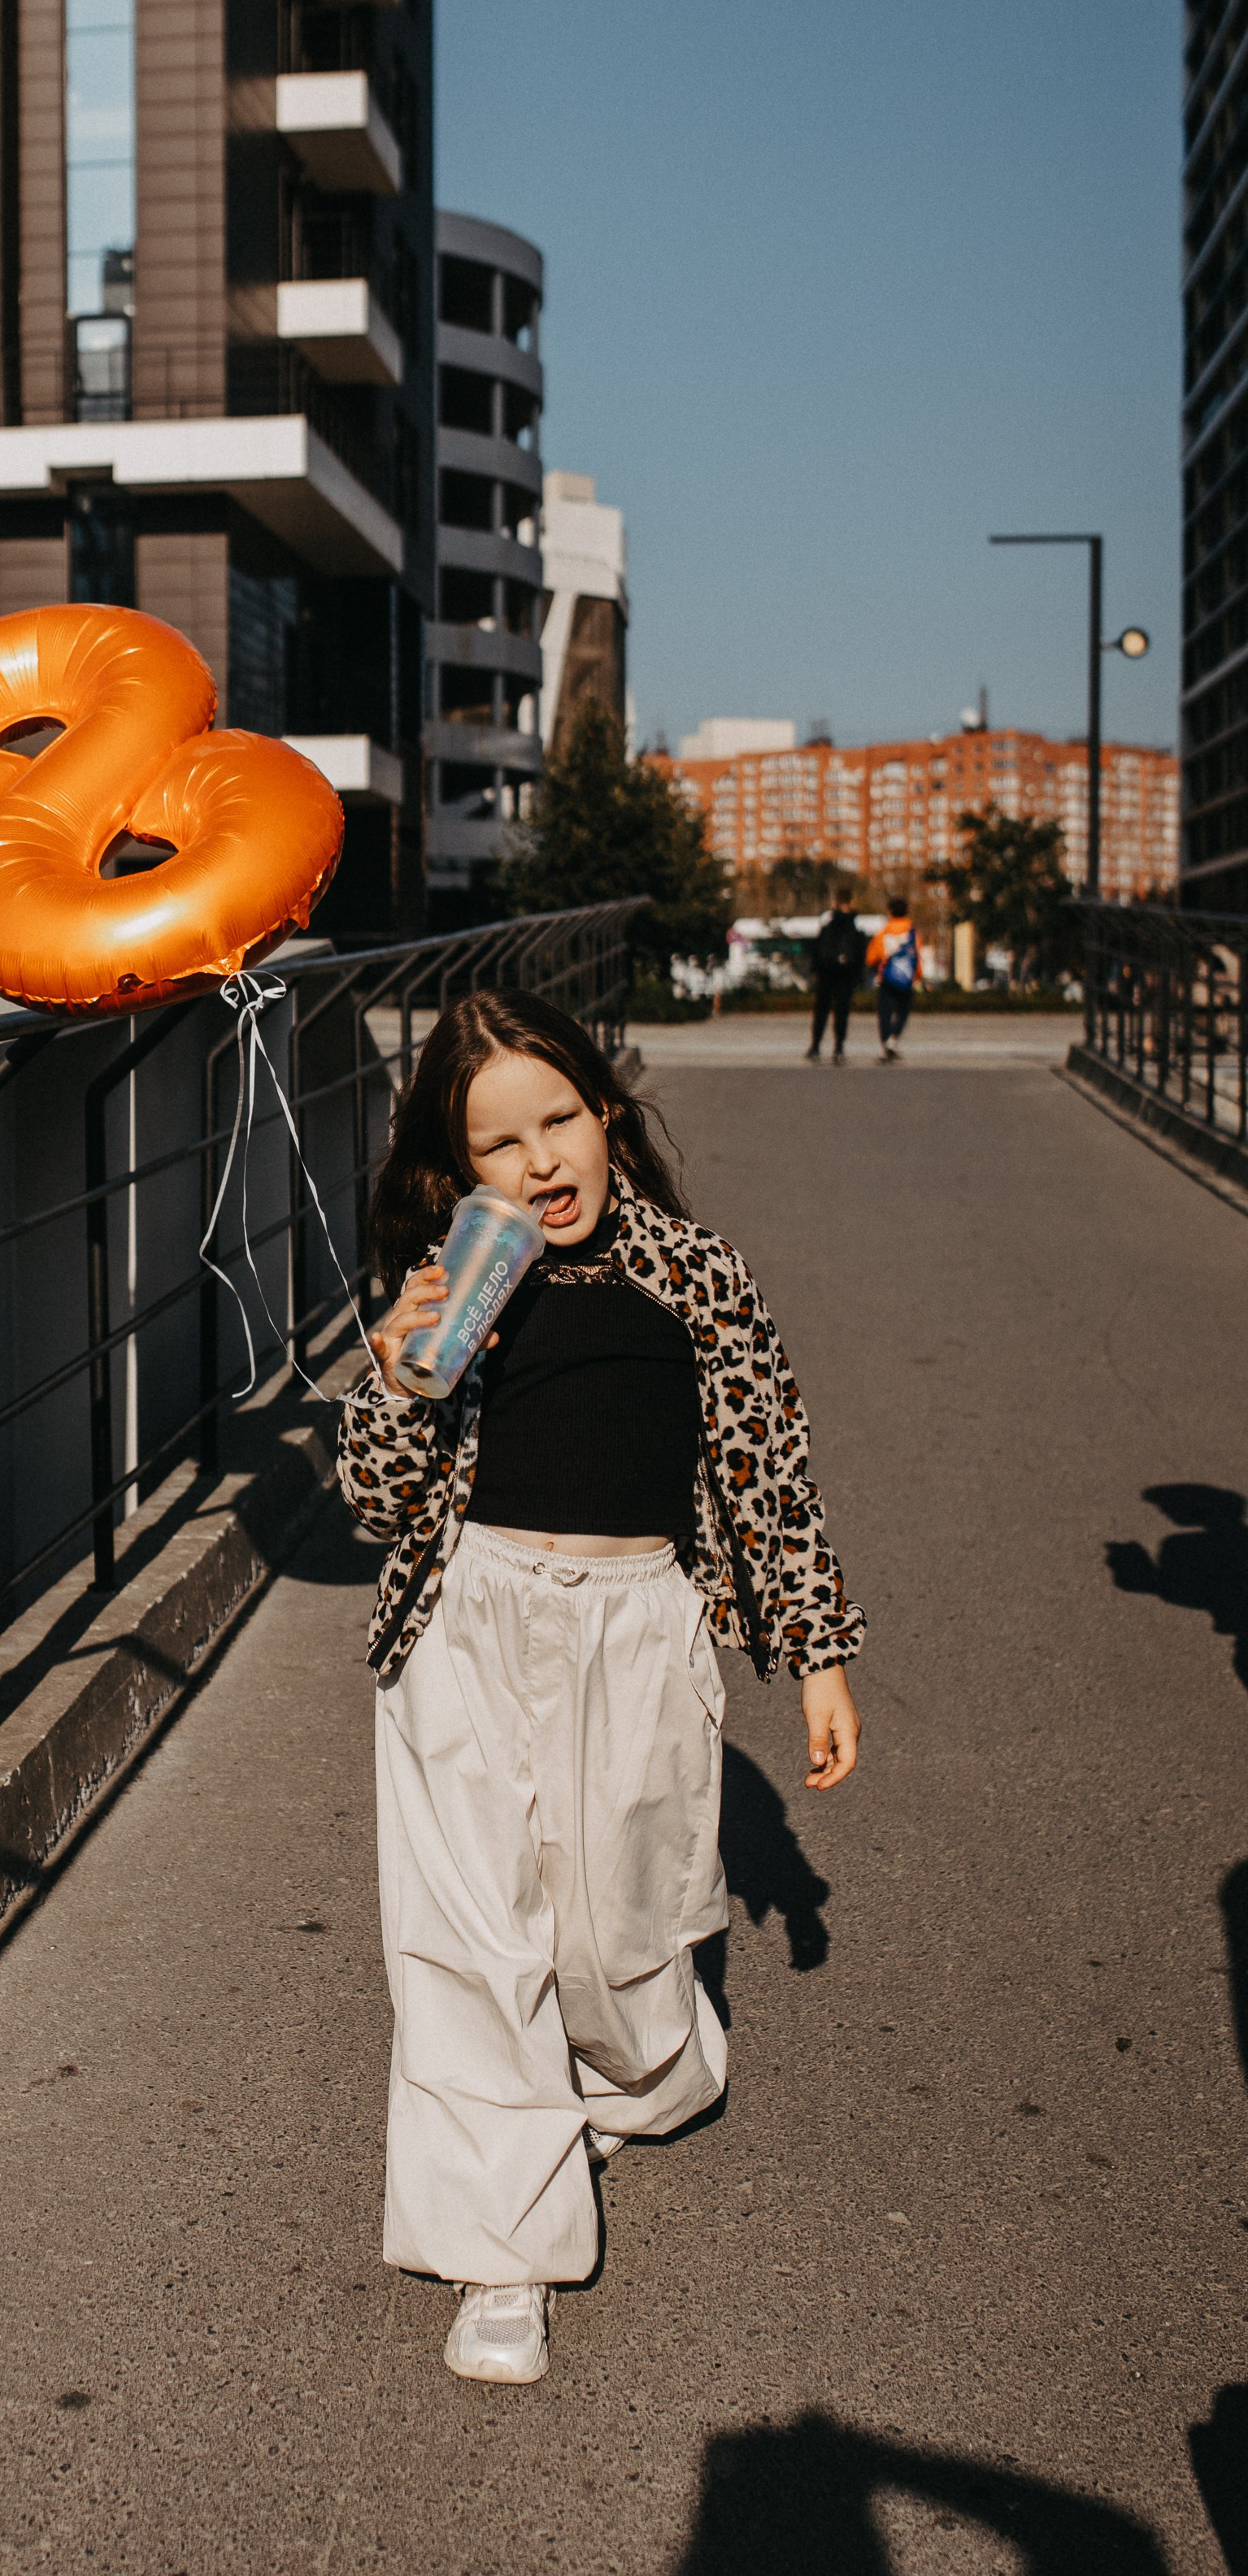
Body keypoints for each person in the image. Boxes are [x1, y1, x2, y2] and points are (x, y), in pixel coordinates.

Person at [337, 988, 863, 2387]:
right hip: (462, 1622)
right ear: (456, 1172)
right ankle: (503, 2251)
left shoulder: (695, 1275)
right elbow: (376, 1508)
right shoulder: (451, 1291)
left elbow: (766, 1480)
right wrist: (393, 1378)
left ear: (607, 1111)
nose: (540, 1162)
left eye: (558, 1118)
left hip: (636, 1630)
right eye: (497, 1143)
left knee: (618, 1919)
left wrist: (811, 1656)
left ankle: (648, 2069)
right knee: (470, 1946)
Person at [805, 888, 865, 1062]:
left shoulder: (828, 923)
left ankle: (815, 1047)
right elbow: (860, 952)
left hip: (826, 973)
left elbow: (817, 949)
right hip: (846, 975)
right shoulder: (855, 925)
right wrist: (858, 976)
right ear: (851, 903)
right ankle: (839, 1048)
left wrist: (815, 970)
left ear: (835, 903)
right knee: (842, 1011)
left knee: (821, 1010)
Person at [867, 896, 920, 1060]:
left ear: (890, 912)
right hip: (906, 979)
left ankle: (886, 1044)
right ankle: (893, 1039)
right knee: (902, 1013)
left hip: (887, 979)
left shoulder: (884, 932)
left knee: (885, 1013)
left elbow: (871, 958)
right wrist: (917, 976)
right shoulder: (912, 932)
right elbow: (917, 957)